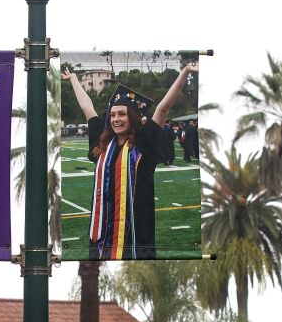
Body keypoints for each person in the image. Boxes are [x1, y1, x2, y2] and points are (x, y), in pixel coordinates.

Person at [62, 62, 198, 260]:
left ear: (132, 117)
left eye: (122, 114)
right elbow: (87, 106)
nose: (116, 119)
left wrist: (185, 72)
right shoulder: (103, 144)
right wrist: (74, 78)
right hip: (102, 234)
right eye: (113, 114)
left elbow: (163, 108)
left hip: (135, 234)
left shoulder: (144, 144)